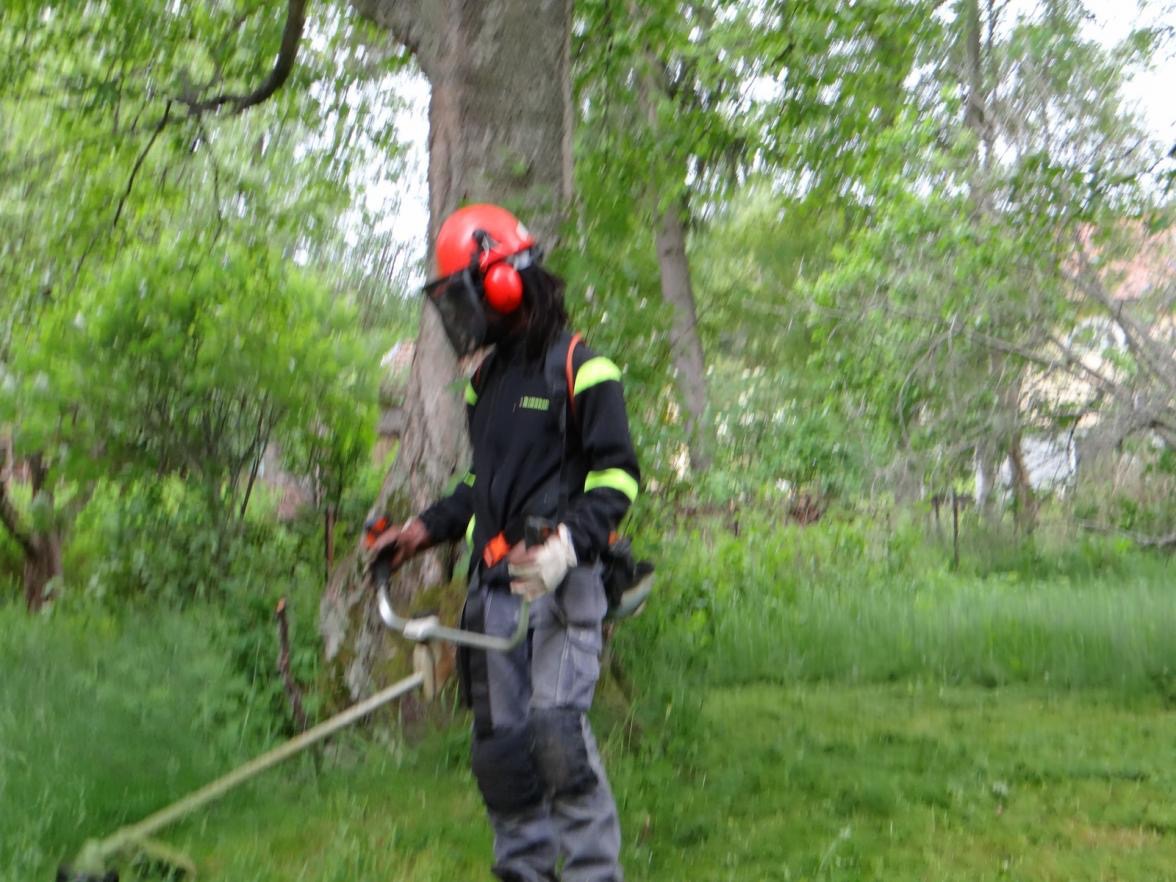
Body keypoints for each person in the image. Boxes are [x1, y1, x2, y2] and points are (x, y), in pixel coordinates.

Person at [368, 203, 640, 882]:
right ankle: (523, 872)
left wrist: (565, 548)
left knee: (556, 741)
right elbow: (483, 489)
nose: (459, 313)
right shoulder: (485, 383)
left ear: (502, 281)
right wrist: (422, 530)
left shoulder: (582, 366)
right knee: (500, 751)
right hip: (495, 595)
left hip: (563, 588)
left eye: (463, 294)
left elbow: (618, 478)